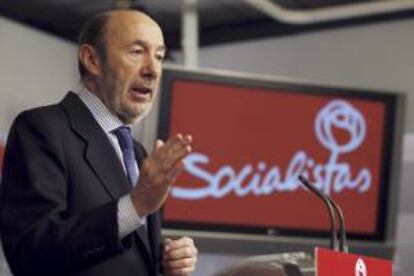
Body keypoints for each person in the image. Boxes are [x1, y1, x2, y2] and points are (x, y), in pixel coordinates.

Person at [0, 9, 197, 276]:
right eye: (137, 52)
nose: (153, 70)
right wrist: (136, 205)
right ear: (92, 59)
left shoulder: (137, 153)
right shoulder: (42, 129)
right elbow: (31, 254)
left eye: (159, 56)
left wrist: (165, 261)